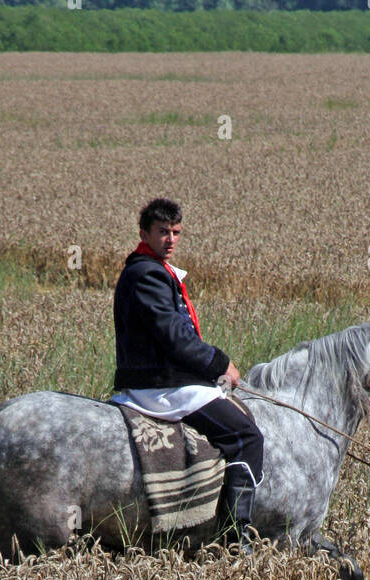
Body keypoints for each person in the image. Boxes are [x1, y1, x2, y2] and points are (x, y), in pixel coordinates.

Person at [111, 197, 263, 551]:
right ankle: (235, 535)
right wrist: (220, 363)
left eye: (176, 232)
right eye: (162, 231)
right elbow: (176, 338)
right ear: (144, 233)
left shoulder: (153, 270)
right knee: (246, 435)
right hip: (161, 385)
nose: (170, 239)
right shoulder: (145, 274)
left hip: (166, 378)